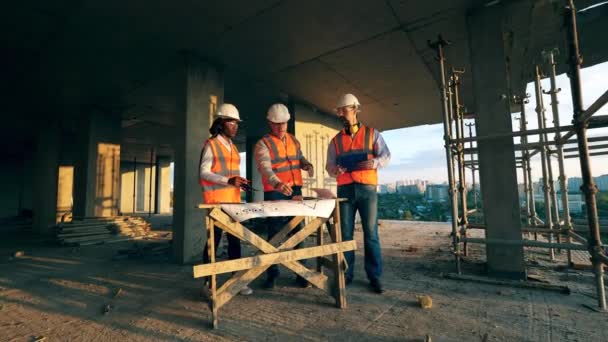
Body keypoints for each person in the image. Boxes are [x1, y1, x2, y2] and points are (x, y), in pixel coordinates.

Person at [325, 94, 391, 294]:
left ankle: (375, 277)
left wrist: (374, 163)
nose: (341, 115)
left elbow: (386, 156)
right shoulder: (336, 141)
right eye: (339, 112)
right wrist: (334, 170)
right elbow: (329, 165)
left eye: (344, 110)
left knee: (371, 234)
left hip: (367, 190)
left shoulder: (372, 134)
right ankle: (346, 274)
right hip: (345, 190)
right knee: (345, 235)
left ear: (354, 109)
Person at [254, 103, 314, 289]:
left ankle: (301, 273)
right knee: (275, 234)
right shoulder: (263, 143)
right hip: (275, 191)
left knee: (299, 231)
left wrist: (306, 164)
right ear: (269, 123)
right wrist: (277, 183)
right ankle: (272, 274)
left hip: (295, 191)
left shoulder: (294, 140)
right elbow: (265, 168)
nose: (280, 127)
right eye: (276, 124)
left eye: (284, 123)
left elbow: (299, 157)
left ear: (288, 122)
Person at [200, 103, 252, 296]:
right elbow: (204, 173)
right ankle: (208, 284)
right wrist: (228, 180)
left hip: (233, 201)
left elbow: (232, 175)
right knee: (213, 243)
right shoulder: (211, 145)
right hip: (215, 202)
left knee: (235, 242)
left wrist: (240, 182)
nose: (236, 126)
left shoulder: (233, 148)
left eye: (237, 123)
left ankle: (236, 281)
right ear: (221, 123)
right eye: (232, 122)